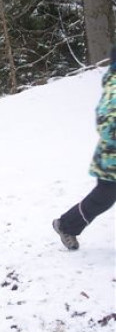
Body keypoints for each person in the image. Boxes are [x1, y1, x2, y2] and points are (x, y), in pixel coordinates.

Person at [53, 47, 116, 250]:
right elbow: (105, 120)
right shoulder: (114, 86)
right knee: (103, 198)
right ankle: (66, 225)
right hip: (111, 159)